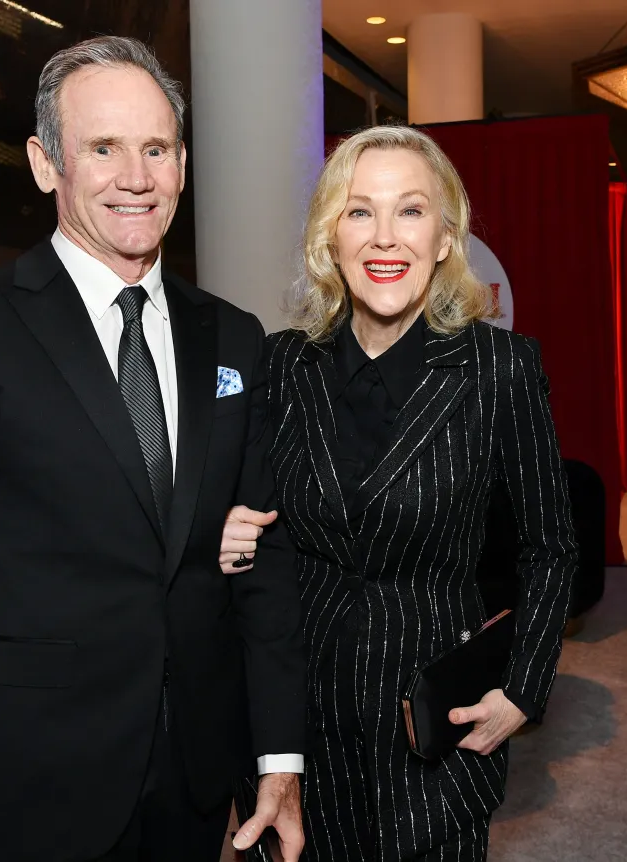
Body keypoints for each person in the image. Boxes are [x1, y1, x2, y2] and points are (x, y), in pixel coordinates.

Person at [0, 36, 306, 862]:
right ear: (46, 165)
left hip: (193, 777)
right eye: (102, 148)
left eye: (157, 149)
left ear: (182, 165)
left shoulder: (234, 336)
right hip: (33, 781)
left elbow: (265, 564)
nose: (135, 177)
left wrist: (278, 758)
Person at [219, 125, 579, 861]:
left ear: (445, 238)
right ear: (331, 237)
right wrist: (223, 529)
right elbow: (245, 509)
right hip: (296, 721)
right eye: (360, 211)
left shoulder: (500, 369)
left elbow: (551, 548)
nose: (385, 237)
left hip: (433, 728)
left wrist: (523, 689)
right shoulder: (282, 364)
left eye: (410, 210)